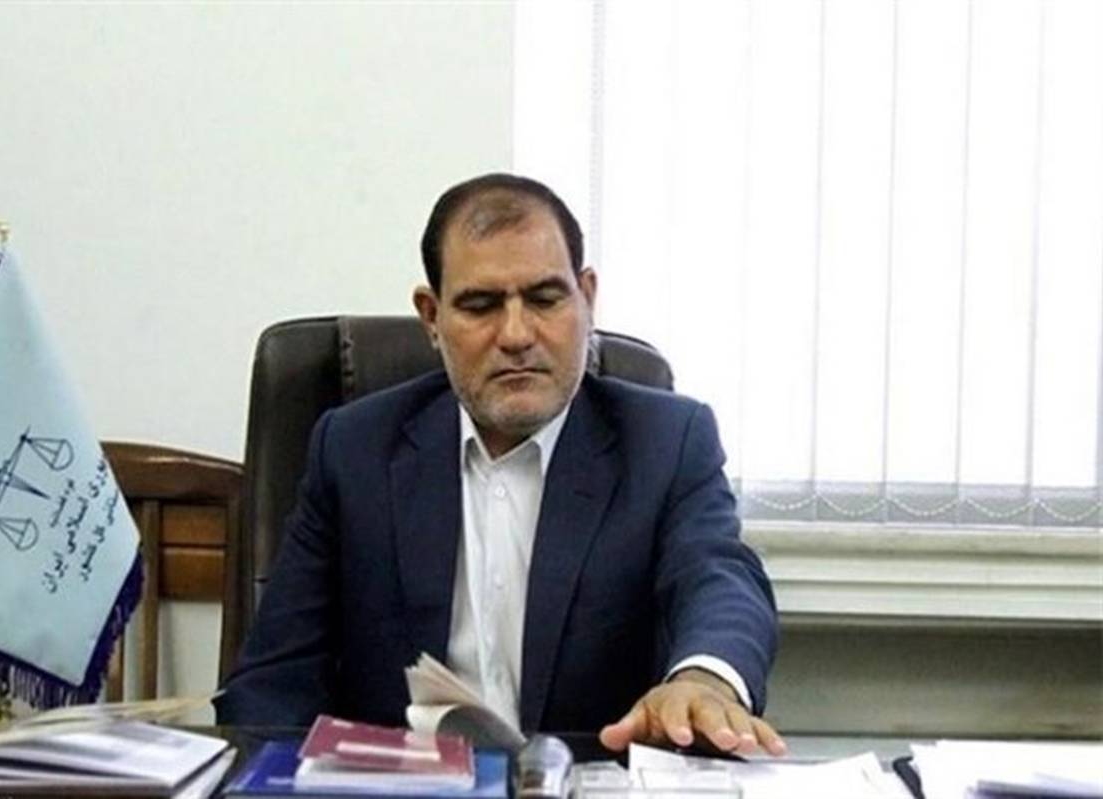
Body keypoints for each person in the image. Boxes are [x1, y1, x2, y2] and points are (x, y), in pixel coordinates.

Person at [216, 173, 784, 756]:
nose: (516, 335)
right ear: (431, 316)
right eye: (481, 305)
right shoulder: (354, 449)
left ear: (586, 298)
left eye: (545, 299)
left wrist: (704, 679)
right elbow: (274, 682)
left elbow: (718, 577)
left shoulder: (666, 441)